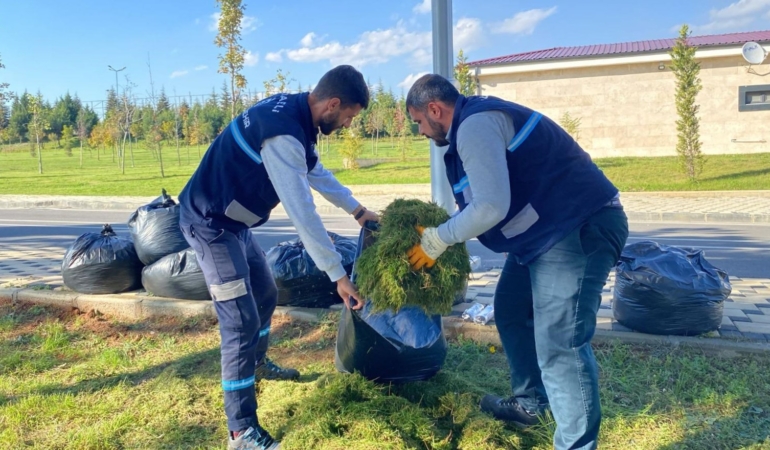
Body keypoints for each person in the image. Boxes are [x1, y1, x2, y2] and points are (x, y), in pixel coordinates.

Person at [405, 74, 628, 450]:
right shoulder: (472, 125)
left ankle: (576, 444)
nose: (421, 132)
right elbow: (484, 197)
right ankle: (531, 403)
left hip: (576, 228)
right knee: (510, 309)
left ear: (435, 109)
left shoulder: (474, 126)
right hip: (544, 236)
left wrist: (439, 238)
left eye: (419, 123)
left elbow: (491, 205)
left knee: (560, 343)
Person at [178, 65, 378, 450]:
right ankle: (241, 431)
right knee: (239, 320)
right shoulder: (283, 133)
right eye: (349, 116)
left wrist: (357, 210)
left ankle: (256, 364)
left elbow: (315, 171)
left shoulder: (298, 115)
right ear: (333, 104)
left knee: (266, 293)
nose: (349, 124)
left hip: (233, 225)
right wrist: (337, 274)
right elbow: (302, 211)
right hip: (210, 224)